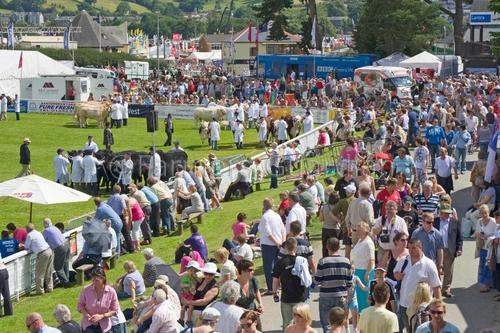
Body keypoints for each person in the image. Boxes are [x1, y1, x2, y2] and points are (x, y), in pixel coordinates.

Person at [394, 239, 441, 332]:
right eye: (409, 248)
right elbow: (395, 273)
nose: (411, 251)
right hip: (404, 304)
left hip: (421, 308)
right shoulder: (403, 260)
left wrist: (438, 307)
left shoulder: (429, 264)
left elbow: (436, 287)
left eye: (414, 248)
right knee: (408, 330)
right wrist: (397, 276)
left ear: (421, 248)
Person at [314, 237, 352, 333]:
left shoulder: (322, 262)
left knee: (326, 325)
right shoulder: (346, 261)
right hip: (341, 296)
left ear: (327, 247)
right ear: (339, 247)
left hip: (326, 296)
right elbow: (349, 282)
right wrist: (349, 297)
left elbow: (317, 280)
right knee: (339, 324)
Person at [273, 238, 309, 331]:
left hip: (286, 298)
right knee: (303, 322)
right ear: (296, 247)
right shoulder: (302, 261)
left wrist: (274, 293)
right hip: (300, 297)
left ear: (285, 248)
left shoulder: (280, 262)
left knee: (287, 323)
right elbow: (306, 277)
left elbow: (275, 280)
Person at [433, 203, 462, 298]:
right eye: (444, 213)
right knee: (436, 269)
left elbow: (459, 237)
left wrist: (459, 248)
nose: (446, 215)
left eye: (448, 213)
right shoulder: (434, 221)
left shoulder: (455, 222)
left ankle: (445, 289)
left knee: (448, 271)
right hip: (437, 249)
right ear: (440, 212)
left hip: (449, 249)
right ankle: (436, 288)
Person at [77, 268, 119, 333]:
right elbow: (80, 305)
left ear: (103, 279)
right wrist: (86, 314)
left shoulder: (111, 291)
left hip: (105, 326)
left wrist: (102, 316)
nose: (94, 283)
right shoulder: (86, 290)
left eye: (97, 280)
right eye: (92, 280)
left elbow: (115, 310)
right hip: (89, 324)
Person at [259, 198, 286, 294]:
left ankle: (271, 288)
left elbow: (268, 233)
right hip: (278, 242)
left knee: (268, 267)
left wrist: (276, 242)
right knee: (278, 265)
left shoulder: (265, 217)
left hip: (269, 244)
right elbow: (283, 229)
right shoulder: (277, 216)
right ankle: (280, 285)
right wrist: (282, 242)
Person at [351, 222, 375, 313]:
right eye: (357, 230)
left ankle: (364, 314)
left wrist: (367, 273)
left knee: (364, 296)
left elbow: (371, 259)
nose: (357, 232)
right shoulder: (360, 240)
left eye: (359, 230)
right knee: (357, 295)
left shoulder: (368, 242)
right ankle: (358, 313)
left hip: (364, 272)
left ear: (365, 231)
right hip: (357, 270)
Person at [25, 223, 54, 295]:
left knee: (39, 273)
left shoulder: (29, 235)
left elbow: (26, 246)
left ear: (27, 230)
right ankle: (50, 288)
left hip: (42, 253)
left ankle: (40, 290)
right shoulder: (38, 232)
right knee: (48, 271)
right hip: (49, 250)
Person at [42, 218, 71, 288]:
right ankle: (67, 280)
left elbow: (42, 241)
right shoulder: (54, 227)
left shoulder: (46, 231)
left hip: (60, 247)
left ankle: (66, 283)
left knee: (58, 267)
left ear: (45, 224)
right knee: (65, 263)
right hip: (66, 244)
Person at [474, 204, 496, 293]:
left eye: (485, 213)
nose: (483, 215)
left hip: (491, 248)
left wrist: (487, 236)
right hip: (482, 247)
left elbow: (497, 234)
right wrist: (478, 235)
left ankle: (487, 285)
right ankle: (487, 283)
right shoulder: (479, 221)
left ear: (488, 213)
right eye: (482, 213)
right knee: (483, 265)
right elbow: (476, 232)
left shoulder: (493, 222)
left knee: (488, 266)